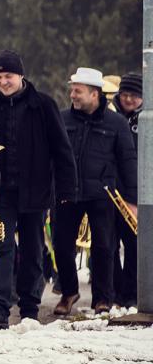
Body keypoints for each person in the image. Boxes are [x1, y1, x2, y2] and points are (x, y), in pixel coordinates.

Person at [0, 51, 76, 329]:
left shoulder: (43, 105)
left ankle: (29, 307)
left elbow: (62, 150)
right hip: (1, 192)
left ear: (21, 75)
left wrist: (67, 190)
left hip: (36, 191)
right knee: (2, 246)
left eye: (8, 76)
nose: (3, 82)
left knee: (33, 250)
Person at [51, 68, 137, 315]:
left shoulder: (116, 123)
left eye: (77, 91)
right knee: (62, 246)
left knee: (104, 247)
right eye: (72, 90)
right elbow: (51, 156)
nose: (72, 95)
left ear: (94, 94)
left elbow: (128, 162)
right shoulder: (62, 118)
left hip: (102, 194)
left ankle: (102, 298)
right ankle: (69, 292)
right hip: (67, 193)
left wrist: (132, 200)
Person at [113, 72, 141, 307]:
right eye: (125, 94)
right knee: (108, 245)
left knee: (134, 244)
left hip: (138, 193)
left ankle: (132, 291)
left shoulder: (146, 120)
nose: (129, 99)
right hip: (111, 191)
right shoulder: (110, 117)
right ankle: (114, 290)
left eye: (134, 95)